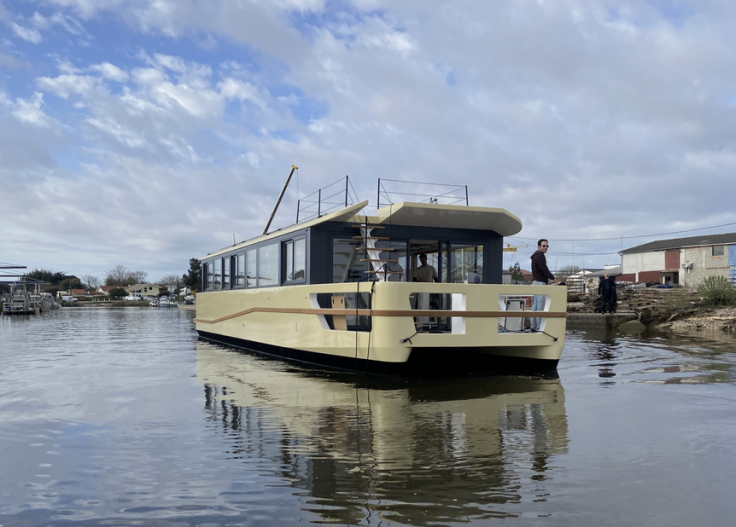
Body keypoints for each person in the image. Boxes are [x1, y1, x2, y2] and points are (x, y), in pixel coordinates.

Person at [530, 239, 555, 332]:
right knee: (540, 307)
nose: (545, 248)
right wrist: (554, 279)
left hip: (534, 282)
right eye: (544, 246)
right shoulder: (540, 256)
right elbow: (544, 269)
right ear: (539, 246)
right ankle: (539, 328)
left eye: (547, 246)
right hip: (540, 283)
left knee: (535, 307)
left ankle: (533, 327)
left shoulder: (534, 256)